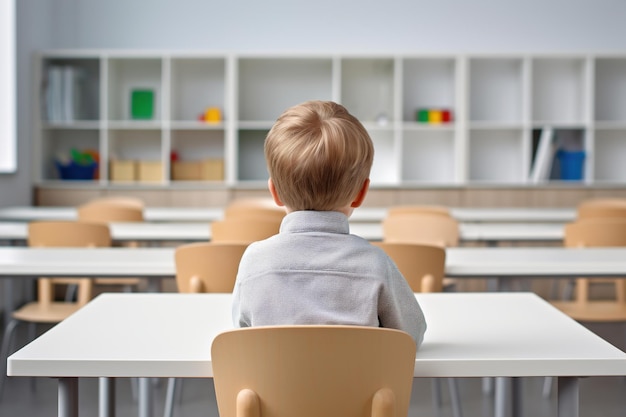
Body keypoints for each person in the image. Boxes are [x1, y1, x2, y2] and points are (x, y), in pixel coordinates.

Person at [231, 100, 427, 347]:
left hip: (274, 386)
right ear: (361, 193)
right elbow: (412, 336)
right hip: (358, 386)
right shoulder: (375, 264)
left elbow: (241, 335)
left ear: (275, 192)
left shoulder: (254, 262)